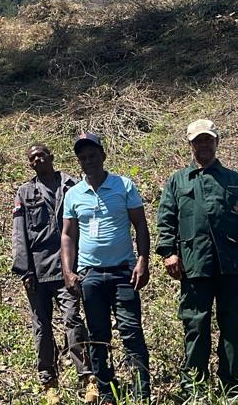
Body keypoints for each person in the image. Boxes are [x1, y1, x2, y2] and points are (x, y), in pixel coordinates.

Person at [156, 119, 238, 399]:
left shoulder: (233, 179)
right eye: (198, 141)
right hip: (194, 266)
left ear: (216, 142)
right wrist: (168, 253)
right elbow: (165, 221)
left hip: (232, 266)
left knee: (233, 325)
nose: (203, 145)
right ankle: (194, 388)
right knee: (195, 325)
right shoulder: (177, 181)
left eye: (208, 140)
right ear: (189, 144)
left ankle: (232, 385)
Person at [61, 132, 151, 403]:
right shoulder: (74, 194)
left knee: (131, 331)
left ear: (103, 155)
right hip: (90, 275)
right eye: (83, 157)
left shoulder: (123, 185)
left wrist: (143, 260)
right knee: (98, 336)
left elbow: (141, 226)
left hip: (123, 272)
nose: (88, 161)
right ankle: (106, 391)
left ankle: (141, 392)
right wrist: (68, 270)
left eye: (92, 155)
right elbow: (67, 235)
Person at [12, 143, 89, 402]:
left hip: (69, 268)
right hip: (38, 270)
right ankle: (49, 383)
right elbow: (19, 234)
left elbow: (85, 226)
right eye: (32, 158)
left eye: (40, 155)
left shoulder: (73, 186)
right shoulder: (24, 192)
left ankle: (86, 377)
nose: (37, 160)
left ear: (51, 157)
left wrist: (81, 265)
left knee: (73, 321)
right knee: (42, 328)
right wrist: (25, 271)